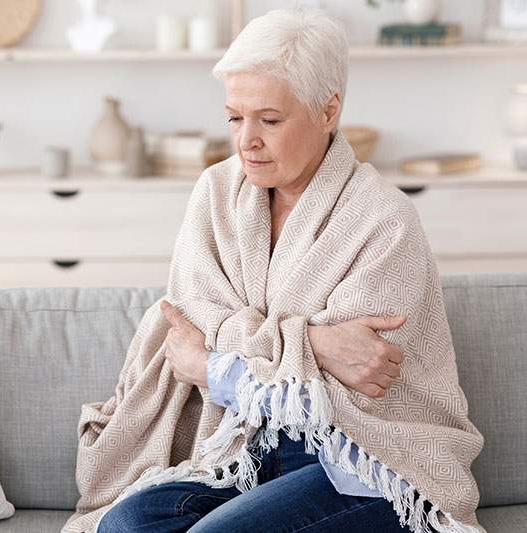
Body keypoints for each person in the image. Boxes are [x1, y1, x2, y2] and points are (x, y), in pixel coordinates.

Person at [65, 8, 484, 533]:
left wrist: (213, 367)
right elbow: (192, 316)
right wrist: (316, 343)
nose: (247, 141)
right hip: (243, 448)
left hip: (362, 459)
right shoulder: (216, 193)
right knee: (127, 524)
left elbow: (342, 390)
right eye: (235, 118)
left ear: (328, 111)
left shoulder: (382, 218)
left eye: (270, 119)